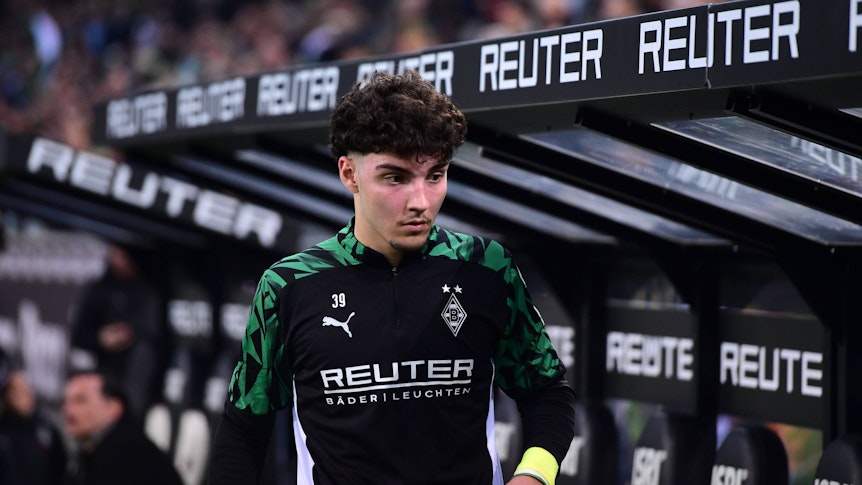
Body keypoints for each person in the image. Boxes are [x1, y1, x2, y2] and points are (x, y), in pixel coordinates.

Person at [208, 70, 576, 485]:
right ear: (349, 174)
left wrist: (534, 476)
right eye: (395, 178)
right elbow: (243, 428)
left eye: (435, 175)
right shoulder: (288, 285)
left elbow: (547, 393)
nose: (420, 201)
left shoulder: (487, 268)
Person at [68, 244, 165, 420]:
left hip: (140, 381)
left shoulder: (150, 289)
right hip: (106, 377)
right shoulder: (100, 288)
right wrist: (101, 338)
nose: (118, 260)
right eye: (115, 252)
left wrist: (130, 334)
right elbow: (78, 335)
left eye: (124, 255)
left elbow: (155, 336)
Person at [62, 369, 183, 485]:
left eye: (80, 401)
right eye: (66, 402)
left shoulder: (129, 455)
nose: (68, 410)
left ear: (113, 408)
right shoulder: (92, 453)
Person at [0, 349, 68, 485]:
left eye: (28, 391)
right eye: (18, 393)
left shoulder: (46, 428)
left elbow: (61, 468)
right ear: (6, 396)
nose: (27, 397)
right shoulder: (4, 432)